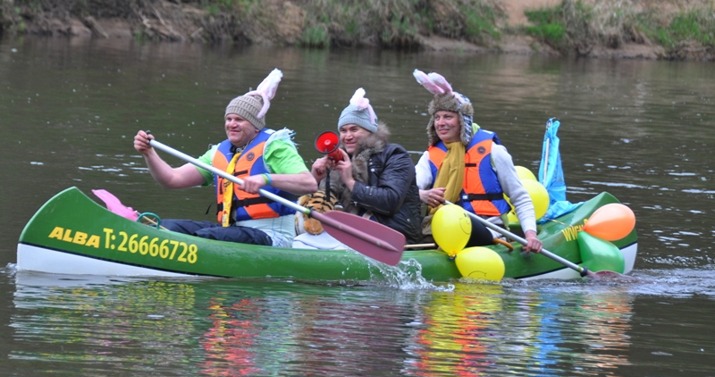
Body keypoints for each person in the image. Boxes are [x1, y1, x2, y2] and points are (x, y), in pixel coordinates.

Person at [133, 68, 317, 248]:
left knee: (206, 237)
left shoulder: (274, 146)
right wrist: (149, 153)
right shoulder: (219, 153)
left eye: (239, 119)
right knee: (168, 227)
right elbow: (172, 179)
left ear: (255, 125)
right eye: (228, 119)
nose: (231, 124)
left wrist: (265, 178)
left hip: (272, 237)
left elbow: (308, 183)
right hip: (230, 231)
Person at [412, 69, 543, 253]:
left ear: (463, 121)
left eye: (448, 117)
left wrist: (530, 235)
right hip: (443, 231)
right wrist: (423, 195)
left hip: (489, 232)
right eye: (437, 117)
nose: (440, 123)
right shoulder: (430, 156)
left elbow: (520, 198)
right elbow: (410, 188)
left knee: (457, 222)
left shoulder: (493, 152)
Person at [295, 88, 422, 248]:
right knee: (300, 240)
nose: (348, 136)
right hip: (353, 231)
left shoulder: (395, 155)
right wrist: (317, 179)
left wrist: (350, 181)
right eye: (343, 130)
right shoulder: (339, 158)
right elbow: (324, 205)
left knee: (305, 245)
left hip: (394, 234)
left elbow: (390, 201)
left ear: (370, 131)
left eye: (354, 129)